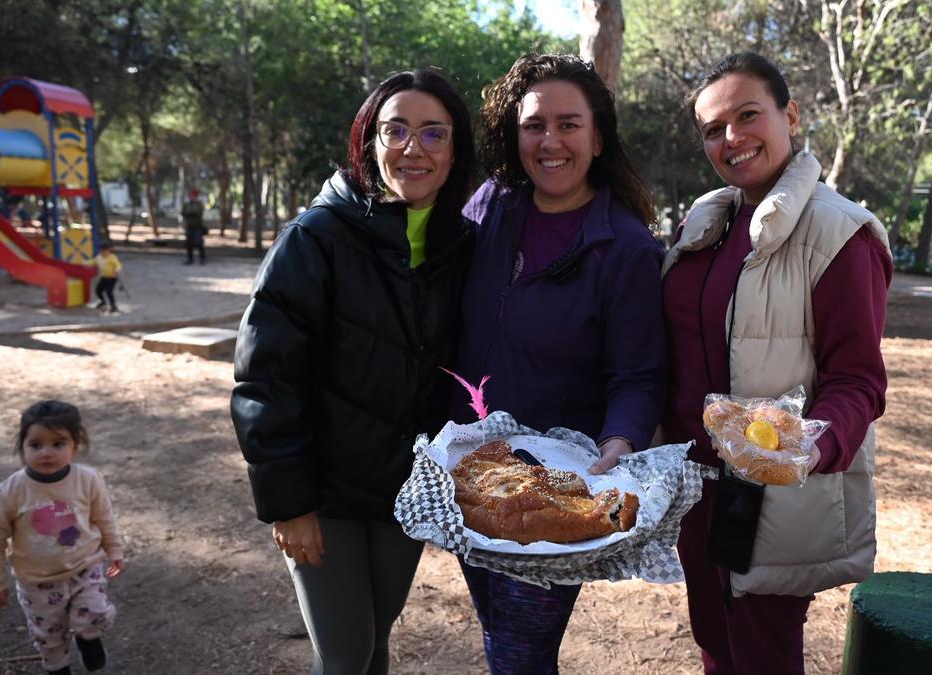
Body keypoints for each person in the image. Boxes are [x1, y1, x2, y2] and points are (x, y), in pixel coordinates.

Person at [230, 68, 476, 675]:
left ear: (454, 152)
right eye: (396, 130)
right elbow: (265, 378)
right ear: (369, 141)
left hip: (400, 492)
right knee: (343, 658)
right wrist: (290, 504)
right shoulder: (315, 238)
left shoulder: (461, 246)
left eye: (433, 134)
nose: (413, 148)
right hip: (323, 494)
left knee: (376, 645)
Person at [660, 52, 893, 674]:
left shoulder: (840, 234)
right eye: (713, 129)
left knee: (761, 651)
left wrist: (806, 444)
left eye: (748, 115)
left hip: (766, 493)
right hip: (694, 489)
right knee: (713, 639)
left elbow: (858, 383)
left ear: (790, 114)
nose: (732, 138)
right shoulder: (704, 228)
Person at [450, 54, 667, 674]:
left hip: (554, 490)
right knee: (500, 636)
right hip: (468, 472)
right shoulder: (490, 206)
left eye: (569, 125)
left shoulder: (625, 249)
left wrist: (620, 440)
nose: (550, 142)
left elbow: (638, 374)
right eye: (534, 125)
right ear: (513, 133)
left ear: (598, 138)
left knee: (519, 657)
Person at [0, 400, 125, 675]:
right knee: (49, 635)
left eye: (58, 444)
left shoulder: (88, 480)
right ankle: (58, 669)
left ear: (75, 445)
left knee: (95, 612)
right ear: (22, 447)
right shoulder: (9, 492)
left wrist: (115, 550)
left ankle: (89, 638)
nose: (47, 453)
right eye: (36, 445)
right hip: (38, 581)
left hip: (85, 565)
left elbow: (104, 517)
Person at [92, 242, 121, 313]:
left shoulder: (112, 257)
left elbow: (118, 265)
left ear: (108, 251)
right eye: (102, 251)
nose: (104, 252)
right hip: (104, 277)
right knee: (98, 290)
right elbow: (93, 262)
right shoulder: (99, 257)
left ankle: (114, 306)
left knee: (109, 292)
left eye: (105, 251)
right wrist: (84, 263)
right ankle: (103, 302)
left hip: (112, 278)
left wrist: (117, 270)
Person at [182, 188, 207, 265]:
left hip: (198, 227)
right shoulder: (187, 204)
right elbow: (183, 212)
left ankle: (202, 258)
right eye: (191, 196)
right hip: (189, 227)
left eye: (194, 196)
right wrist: (189, 214)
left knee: (199, 243)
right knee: (188, 244)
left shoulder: (199, 204)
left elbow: (198, 213)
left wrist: (190, 214)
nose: (192, 197)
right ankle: (190, 259)